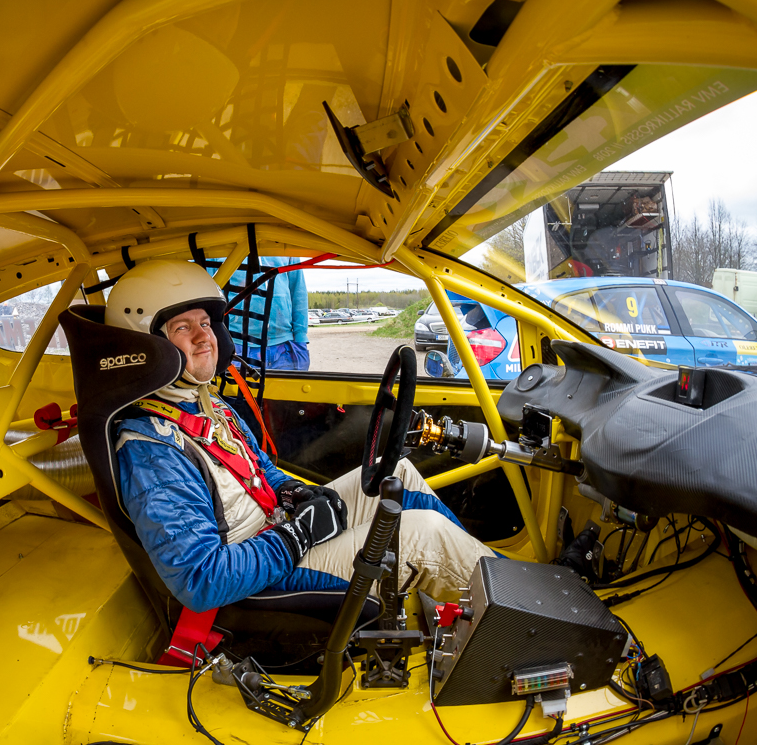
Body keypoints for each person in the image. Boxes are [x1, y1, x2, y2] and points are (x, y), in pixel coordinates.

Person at [107, 260, 494, 613]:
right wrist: (299, 534)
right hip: (257, 575)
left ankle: (498, 586)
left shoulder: (206, 402)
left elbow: (260, 469)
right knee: (424, 537)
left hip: (276, 530)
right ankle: (514, 621)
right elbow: (202, 579)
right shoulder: (152, 449)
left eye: (206, 324)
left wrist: (294, 492)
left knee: (398, 474)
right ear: (147, 345)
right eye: (183, 327)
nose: (203, 337)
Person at [216, 256, 310, 371]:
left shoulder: (288, 248)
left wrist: (300, 338)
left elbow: (298, 291)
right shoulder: (217, 249)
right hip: (235, 344)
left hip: (285, 346)